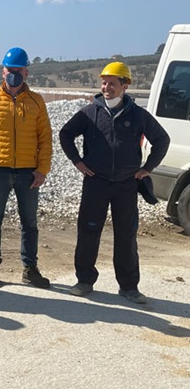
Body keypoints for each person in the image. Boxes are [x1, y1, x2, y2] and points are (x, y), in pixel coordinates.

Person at [59, 61, 170, 304]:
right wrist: (78, 162)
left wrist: (147, 169)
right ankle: (85, 280)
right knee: (88, 232)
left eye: (112, 83)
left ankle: (129, 286)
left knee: (126, 235)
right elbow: (65, 134)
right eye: (104, 82)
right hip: (95, 183)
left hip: (126, 186)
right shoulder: (89, 113)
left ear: (125, 86)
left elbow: (162, 140)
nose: (106, 87)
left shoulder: (138, 115)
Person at [0, 46, 52, 289]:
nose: (14, 75)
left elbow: (45, 139)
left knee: (29, 222)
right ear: (2, 72)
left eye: (18, 71)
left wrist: (42, 170)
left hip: (29, 173)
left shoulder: (37, 102)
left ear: (26, 72)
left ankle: (30, 269)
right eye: (10, 71)